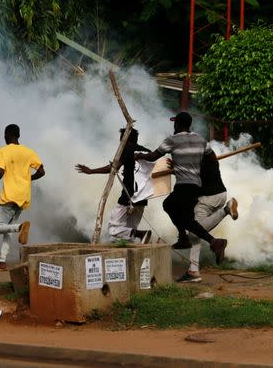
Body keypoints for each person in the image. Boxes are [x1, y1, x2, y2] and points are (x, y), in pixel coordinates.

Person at [136, 111, 229, 264]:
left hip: (183, 186)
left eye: (174, 123)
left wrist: (138, 155)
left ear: (177, 124)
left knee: (173, 208)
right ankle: (189, 238)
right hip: (195, 186)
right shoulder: (200, 140)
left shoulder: (172, 140)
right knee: (184, 217)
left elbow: (153, 156)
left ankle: (210, 241)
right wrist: (191, 164)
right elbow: (213, 159)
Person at [0, 124, 45, 271]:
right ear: (18, 135)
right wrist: (28, 179)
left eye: (4, 135)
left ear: (7, 134)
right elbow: (42, 172)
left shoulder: (3, 151)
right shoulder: (29, 152)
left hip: (9, 196)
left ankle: (21, 227)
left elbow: (0, 172)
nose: (4, 138)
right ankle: (2, 262)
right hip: (23, 196)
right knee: (8, 230)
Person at [76, 128, 152, 244]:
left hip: (128, 195)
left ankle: (142, 234)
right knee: (130, 232)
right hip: (143, 197)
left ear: (124, 139)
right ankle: (136, 245)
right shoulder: (147, 152)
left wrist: (91, 171)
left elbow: (113, 168)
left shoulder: (125, 150)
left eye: (121, 140)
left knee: (113, 229)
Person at [177, 152, 240, 282]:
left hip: (207, 199)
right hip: (220, 194)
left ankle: (226, 210)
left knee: (194, 231)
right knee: (195, 231)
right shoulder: (207, 158)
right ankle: (193, 271)